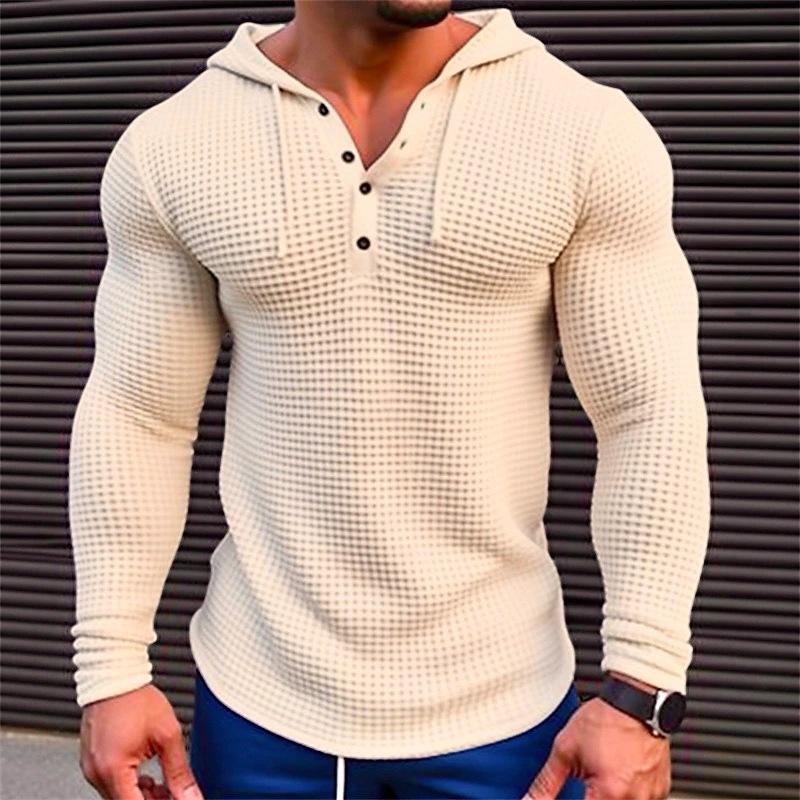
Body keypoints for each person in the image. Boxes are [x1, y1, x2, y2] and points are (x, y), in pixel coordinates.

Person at [68, 2, 711, 799]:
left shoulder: (582, 127)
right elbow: (139, 414)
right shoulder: (175, 144)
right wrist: (110, 667)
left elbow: (647, 411)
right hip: (259, 703)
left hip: (505, 713)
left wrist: (642, 688)